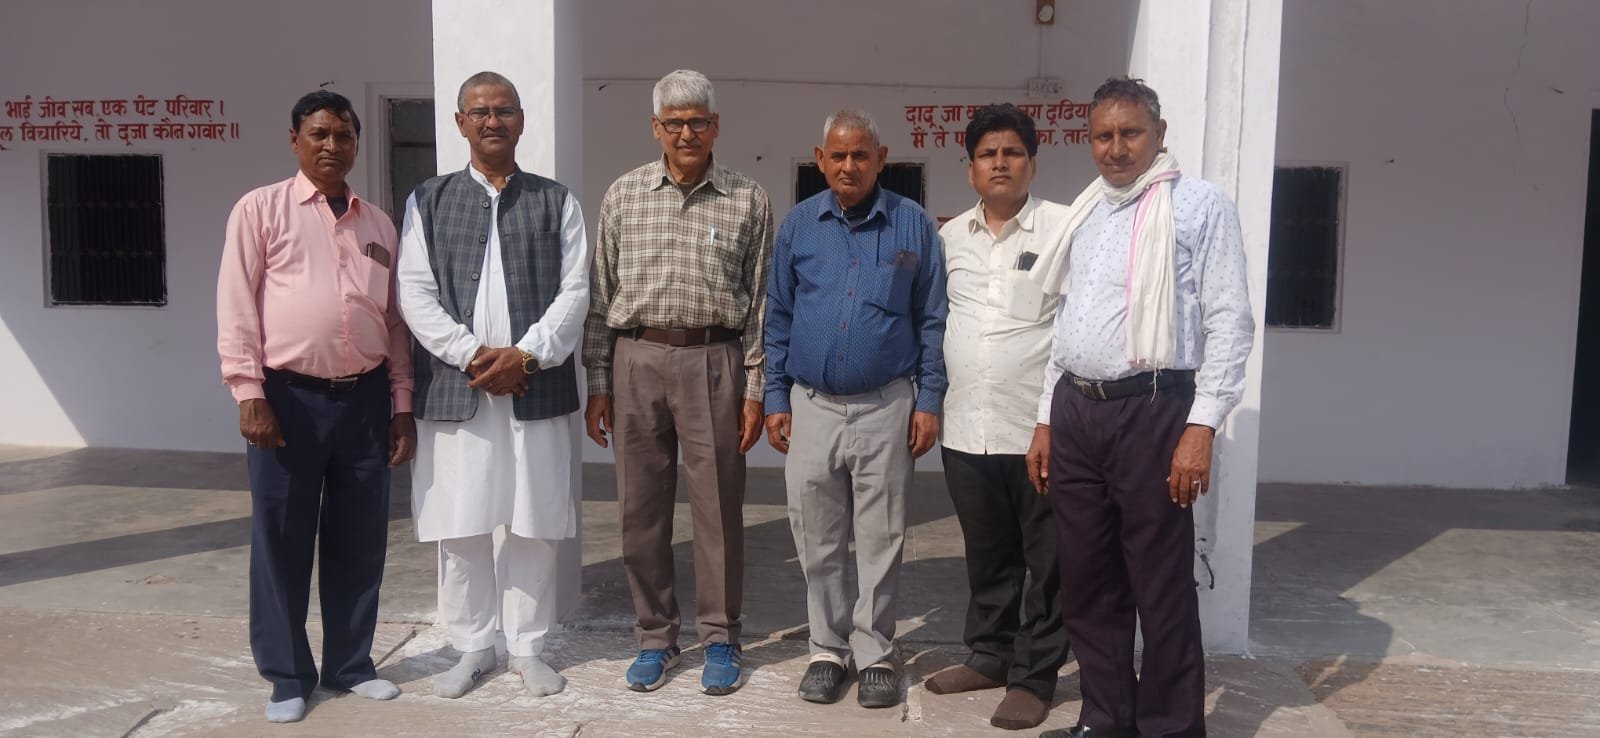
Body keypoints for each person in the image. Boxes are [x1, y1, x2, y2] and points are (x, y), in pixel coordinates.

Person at [1028, 77, 1254, 738]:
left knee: (1159, 582)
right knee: (1088, 579)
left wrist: (1202, 425)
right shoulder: (1087, 211)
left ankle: (1170, 727)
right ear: (1089, 140)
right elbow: (1066, 325)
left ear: (1159, 133)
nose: (1117, 148)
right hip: (1077, 410)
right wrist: (1045, 417)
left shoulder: (1198, 205)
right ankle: (1106, 718)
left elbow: (1230, 321)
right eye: (1103, 135)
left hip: (1154, 411)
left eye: (1130, 133)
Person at [216, 89, 414, 723]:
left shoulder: (378, 224)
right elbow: (237, 305)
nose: (333, 145)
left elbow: (394, 321)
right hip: (287, 401)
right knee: (282, 540)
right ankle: (287, 676)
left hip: (364, 401)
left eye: (344, 135)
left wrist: (401, 402)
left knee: (360, 539)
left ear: (357, 144)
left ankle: (351, 665)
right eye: (320, 134)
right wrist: (248, 392)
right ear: (295, 140)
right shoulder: (260, 210)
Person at [396, 71, 588, 700]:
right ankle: (473, 646)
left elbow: (575, 293)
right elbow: (414, 293)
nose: (492, 121)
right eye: (479, 111)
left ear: (521, 121)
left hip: (535, 389)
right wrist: (474, 354)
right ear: (460, 123)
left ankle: (528, 647)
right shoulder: (428, 200)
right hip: (459, 389)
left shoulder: (556, 201)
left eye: (504, 110)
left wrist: (525, 357)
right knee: (462, 522)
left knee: (535, 521)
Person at [581, 69, 772, 695]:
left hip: (714, 359)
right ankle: (655, 637)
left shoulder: (747, 198)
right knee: (640, 509)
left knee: (718, 510)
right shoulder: (624, 194)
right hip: (636, 358)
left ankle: (720, 637)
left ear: (716, 126)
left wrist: (754, 387)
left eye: (697, 122)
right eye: (674, 123)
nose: (686, 133)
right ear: (655, 128)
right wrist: (600, 380)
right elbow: (600, 294)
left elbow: (761, 303)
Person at [764, 109, 946, 709]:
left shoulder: (913, 225)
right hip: (812, 405)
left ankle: (874, 652)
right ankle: (826, 649)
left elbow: (932, 319)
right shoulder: (798, 226)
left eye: (860, 155)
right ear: (821, 159)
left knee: (881, 536)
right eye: (838, 155)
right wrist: (774, 397)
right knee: (815, 535)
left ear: (880, 158)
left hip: (886, 405)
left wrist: (929, 400)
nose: (849, 166)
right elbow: (778, 317)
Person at [922, 103, 1071, 731]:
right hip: (967, 428)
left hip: (1038, 430)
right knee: (988, 554)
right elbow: (936, 322)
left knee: (1049, 561)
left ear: (1032, 163)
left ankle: (1034, 677)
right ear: (971, 168)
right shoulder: (949, 238)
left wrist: (1052, 422)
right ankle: (989, 655)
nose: (1000, 163)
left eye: (1012, 152)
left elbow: (1074, 331)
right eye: (988, 154)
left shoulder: (1063, 229)